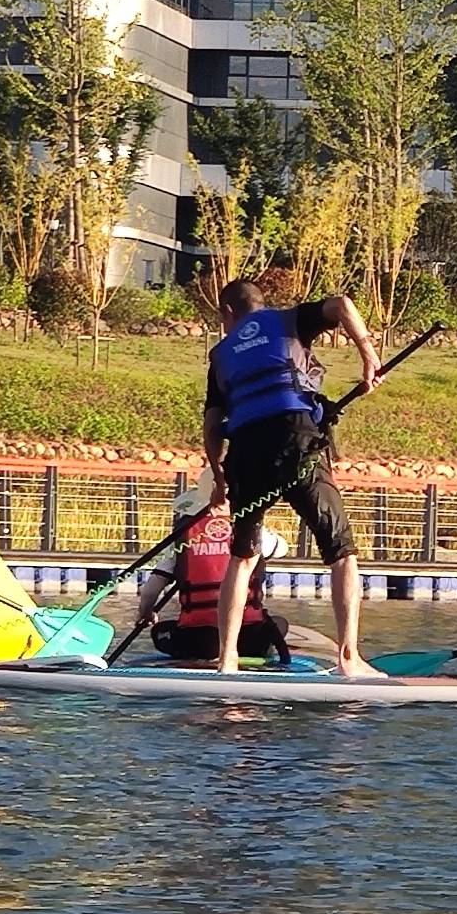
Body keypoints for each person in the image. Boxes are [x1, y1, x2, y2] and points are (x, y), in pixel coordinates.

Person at [198, 277, 386, 675]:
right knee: (342, 553)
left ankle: (226, 658)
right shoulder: (287, 320)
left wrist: (218, 479)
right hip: (296, 440)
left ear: (227, 313)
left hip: (247, 453)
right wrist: (368, 355)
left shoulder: (220, 354)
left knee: (243, 555)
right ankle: (348, 658)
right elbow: (341, 304)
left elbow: (213, 425)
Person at [139, 473, 299, 669]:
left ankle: (197, 658)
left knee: (160, 632)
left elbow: (150, 590)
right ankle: (258, 654)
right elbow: (282, 548)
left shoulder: (182, 538)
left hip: (200, 642)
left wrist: (146, 613)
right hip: (249, 638)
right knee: (279, 624)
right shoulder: (253, 530)